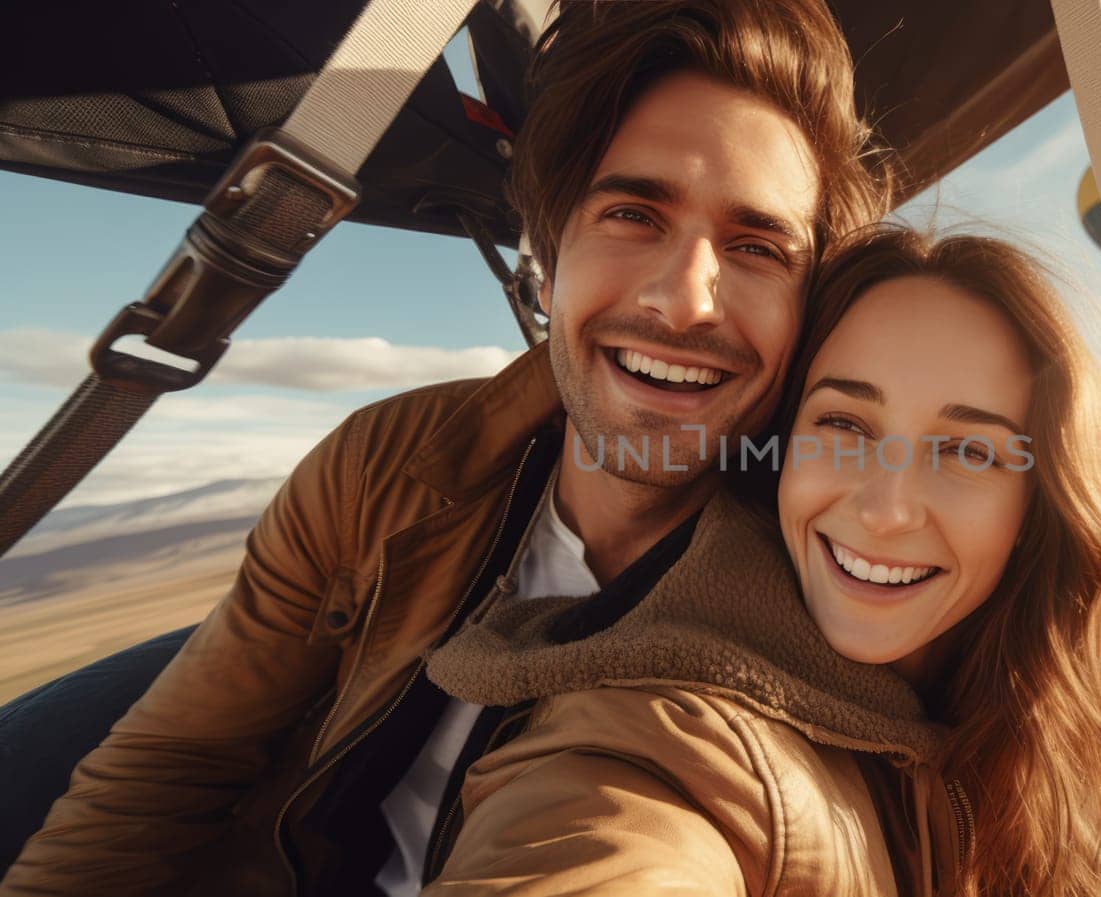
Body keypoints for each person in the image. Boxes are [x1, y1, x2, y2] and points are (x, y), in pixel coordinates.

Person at [0, 2, 890, 895]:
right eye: (632, 213)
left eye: (755, 246)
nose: (684, 300)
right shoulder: (387, 461)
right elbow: (174, 761)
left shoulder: (845, 572)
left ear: (808, 307)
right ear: (547, 252)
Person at [418, 225, 1101, 895]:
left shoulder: (1068, 700)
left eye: (966, 449)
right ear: (779, 448)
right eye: (842, 423)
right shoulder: (672, 740)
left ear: (1037, 505)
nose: (884, 508)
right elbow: (611, 832)